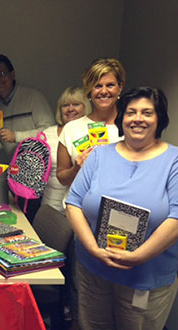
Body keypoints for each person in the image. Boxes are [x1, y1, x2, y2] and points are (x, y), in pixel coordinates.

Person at [66, 87, 178, 330]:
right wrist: (93, 249)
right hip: (93, 270)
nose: (138, 118)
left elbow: (176, 218)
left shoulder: (174, 162)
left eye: (147, 112)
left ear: (159, 118)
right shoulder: (99, 156)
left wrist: (140, 256)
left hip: (144, 277)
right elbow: (73, 202)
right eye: (131, 112)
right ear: (122, 118)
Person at [0, 54, 54, 221]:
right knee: (17, 221)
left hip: (38, 177)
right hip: (14, 178)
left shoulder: (33, 97)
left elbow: (49, 130)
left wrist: (16, 136)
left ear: (12, 74)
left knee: (35, 222)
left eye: (2, 74)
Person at [57, 58, 126, 187]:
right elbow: (62, 178)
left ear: (120, 88)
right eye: (97, 86)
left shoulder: (130, 129)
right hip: (77, 206)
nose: (104, 91)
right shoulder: (71, 129)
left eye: (110, 85)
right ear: (89, 90)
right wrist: (76, 169)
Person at [41, 86, 91, 214]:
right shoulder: (46, 134)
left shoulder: (93, 133)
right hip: (50, 203)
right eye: (65, 105)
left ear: (85, 107)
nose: (70, 109)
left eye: (76, 104)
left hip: (80, 206)